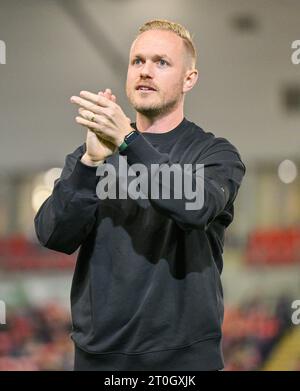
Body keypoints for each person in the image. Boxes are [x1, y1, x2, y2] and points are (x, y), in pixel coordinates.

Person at [34, 19, 246, 371]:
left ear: (189, 79)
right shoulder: (95, 152)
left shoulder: (214, 155)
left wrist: (128, 142)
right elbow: (53, 235)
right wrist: (88, 164)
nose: (146, 71)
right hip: (98, 361)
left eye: (161, 62)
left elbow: (195, 208)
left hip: (185, 364)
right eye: (138, 61)